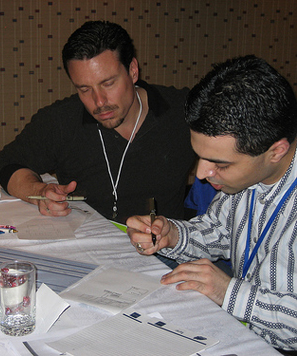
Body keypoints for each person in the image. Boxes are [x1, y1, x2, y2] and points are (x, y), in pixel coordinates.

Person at [126, 55, 297, 352]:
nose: (202, 174)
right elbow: (218, 231)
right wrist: (173, 235)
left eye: (220, 163)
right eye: (200, 156)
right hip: (240, 332)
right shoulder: (246, 175)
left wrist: (228, 291)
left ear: (276, 151)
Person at [0, 21, 195, 224]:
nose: (99, 102)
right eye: (84, 89)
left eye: (108, 83)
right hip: (86, 246)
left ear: (133, 70)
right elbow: (9, 163)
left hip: (163, 250)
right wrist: (39, 191)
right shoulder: (62, 120)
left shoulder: (183, 112)